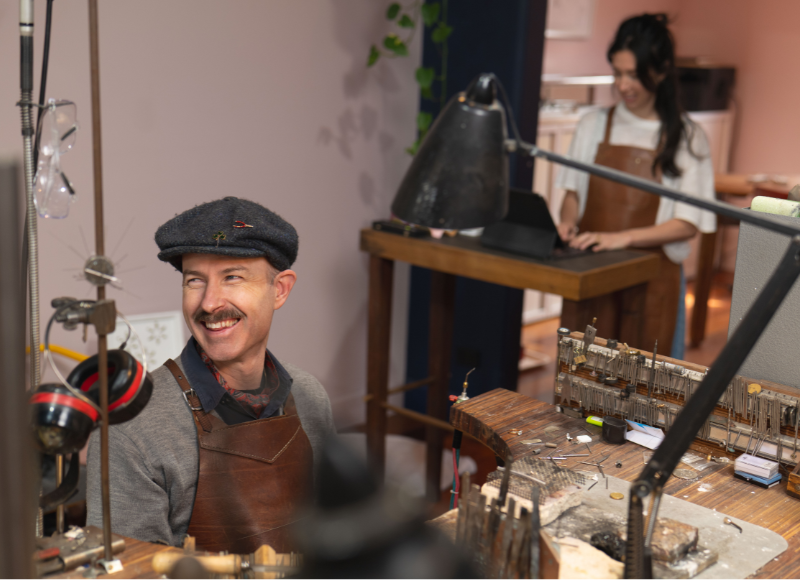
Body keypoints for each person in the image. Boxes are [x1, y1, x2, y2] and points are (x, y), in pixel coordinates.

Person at [87, 196, 335, 553]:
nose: (209, 303)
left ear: (279, 290)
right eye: (194, 281)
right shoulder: (131, 424)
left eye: (232, 277)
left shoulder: (311, 397)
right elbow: (128, 572)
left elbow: (332, 537)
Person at [554, 13, 716, 359]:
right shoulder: (591, 125)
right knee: (580, 386)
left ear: (660, 71)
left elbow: (687, 224)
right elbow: (572, 194)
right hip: (592, 274)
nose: (623, 85)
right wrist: (568, 223)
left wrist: (621, 239)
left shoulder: (686, 137)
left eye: (634, 74)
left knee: (639, 400)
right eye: (617, 73)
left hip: (653, 286)